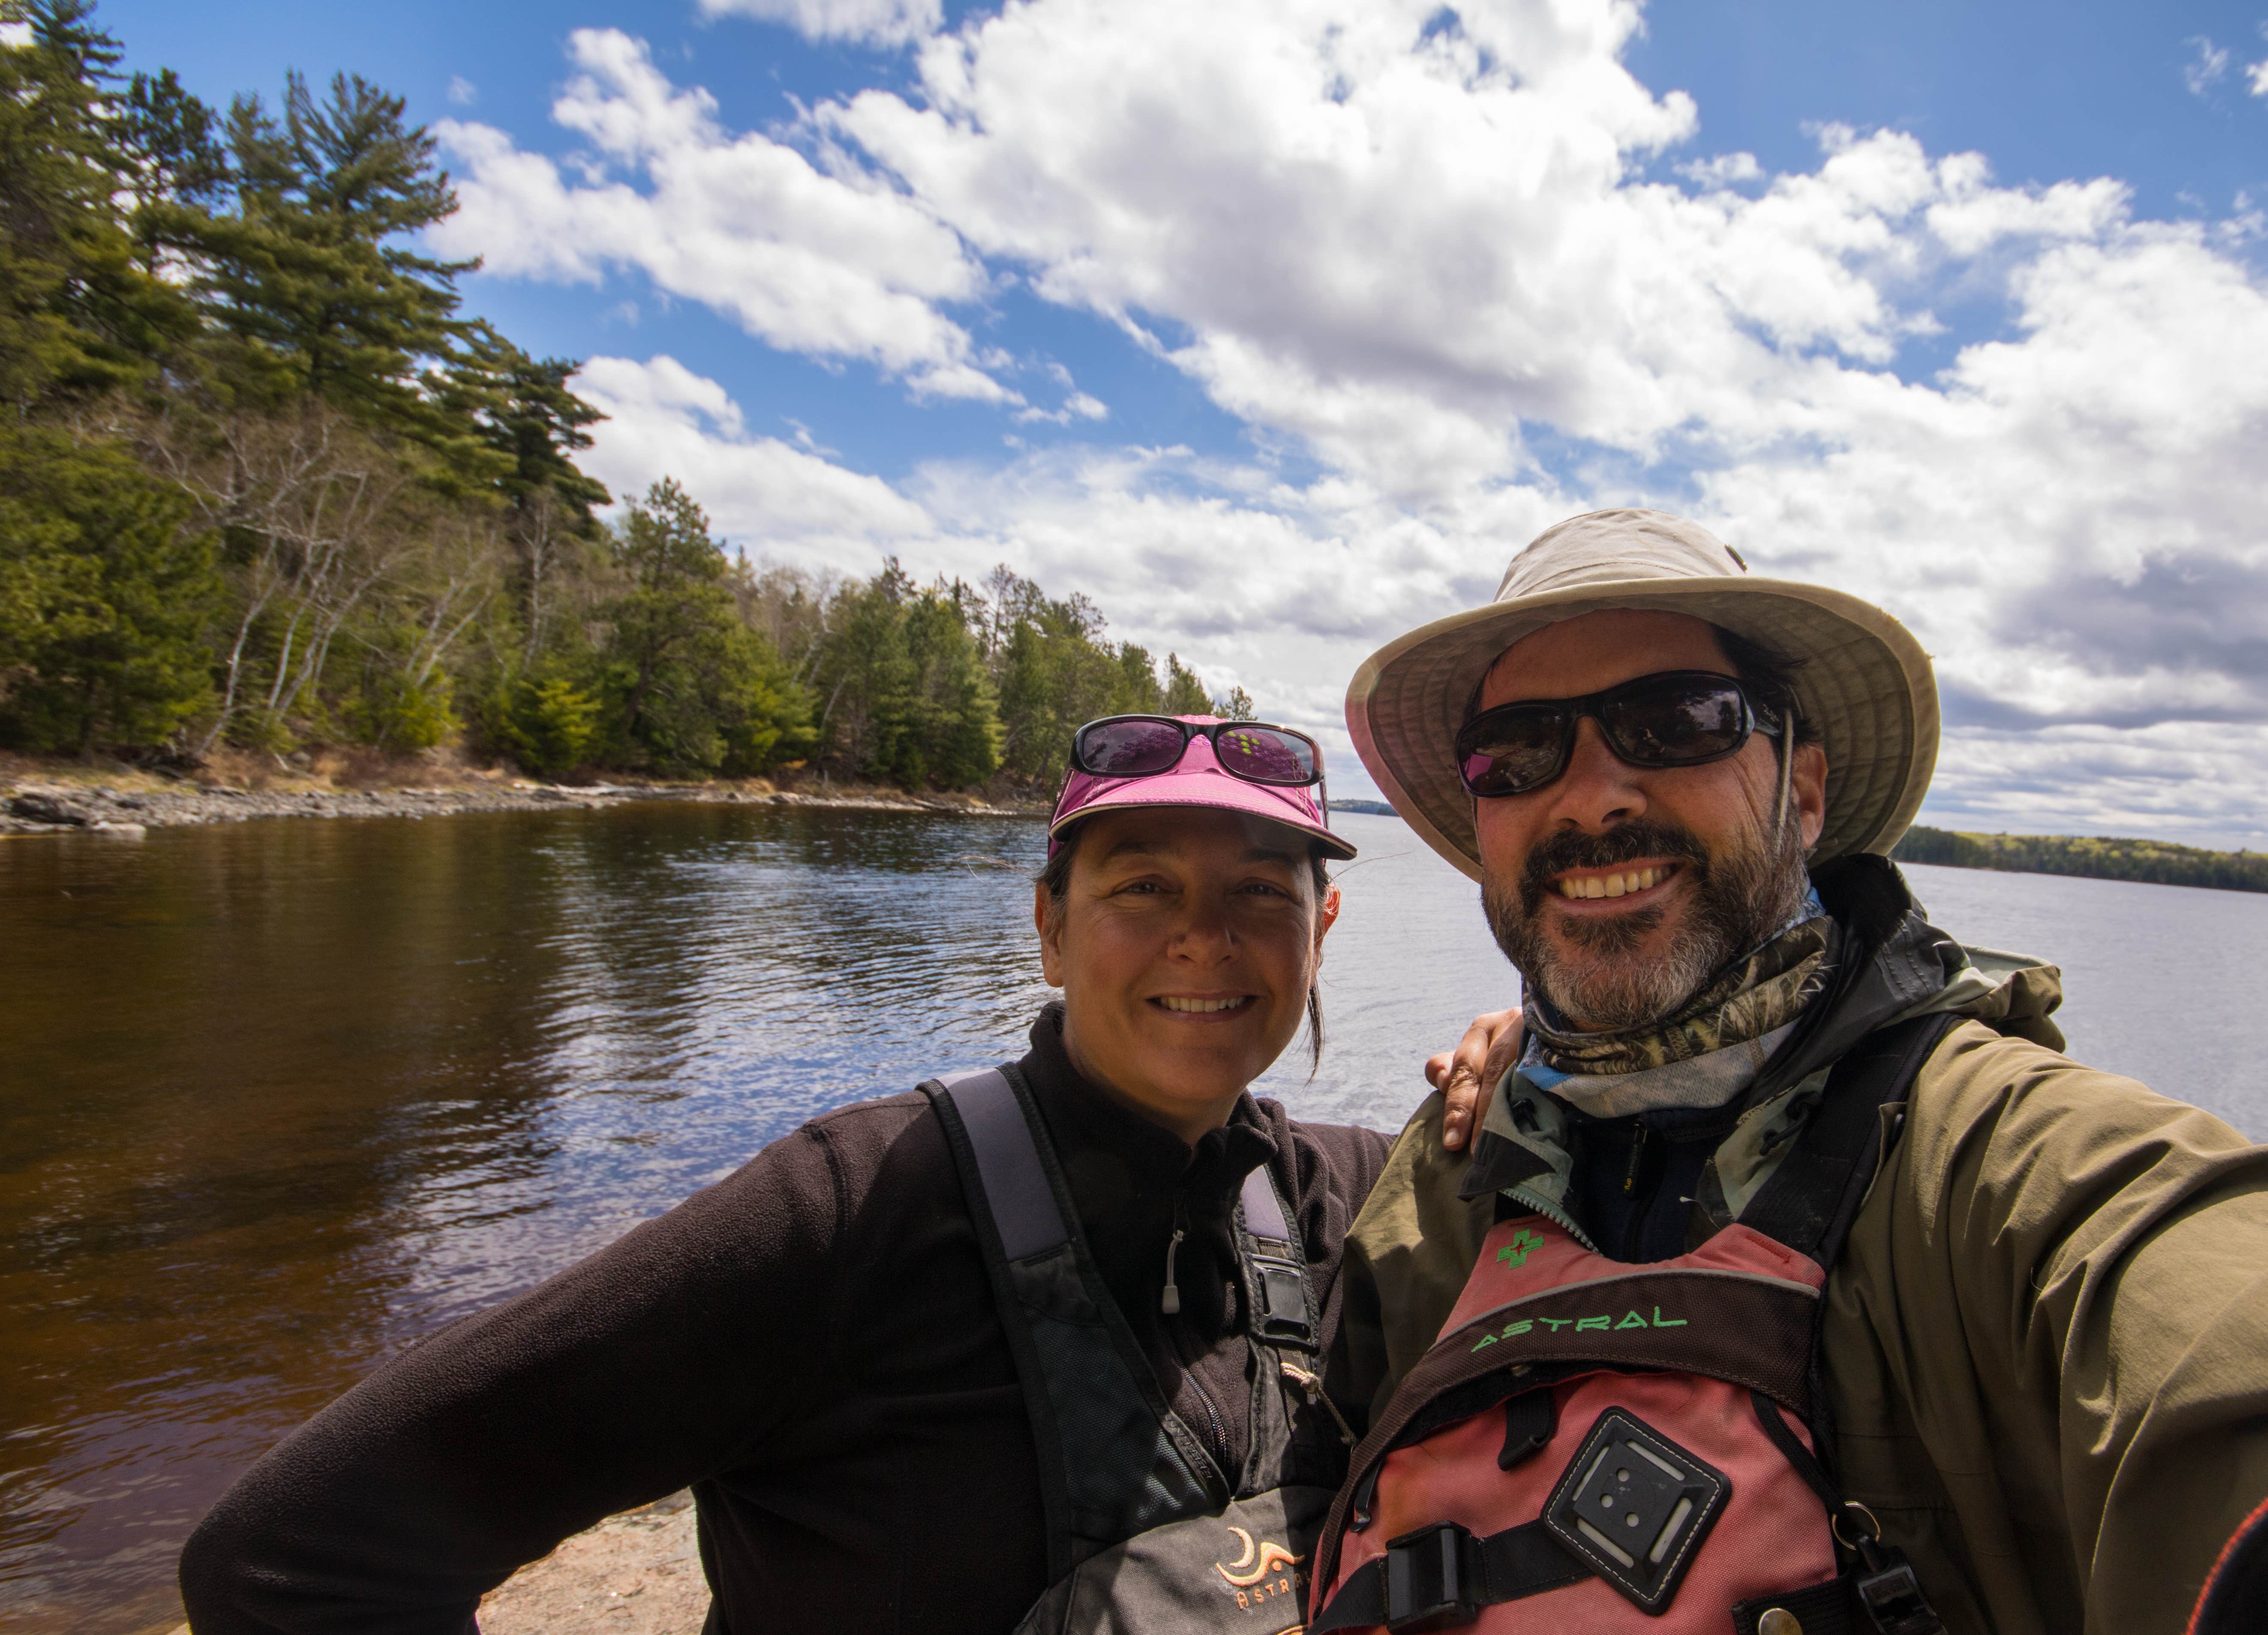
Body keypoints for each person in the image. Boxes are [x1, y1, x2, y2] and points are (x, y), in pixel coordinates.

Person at [179, 714, 1413, 1634]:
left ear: (1325, 930)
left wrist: (1516, 1056)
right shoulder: (851, 1211)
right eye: (1142, 884)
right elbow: (294, 1553)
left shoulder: (1353, 1200)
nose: (1207, 933)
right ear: (1046, 923)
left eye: (1262, 889)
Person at [1307, 509, 2268, 1635]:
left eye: (1675, 722)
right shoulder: (1451, 1170)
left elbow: (2194, 1309)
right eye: (1520, 750)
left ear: (1802, 793)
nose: (1592, 795)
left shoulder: (2000, 1169)